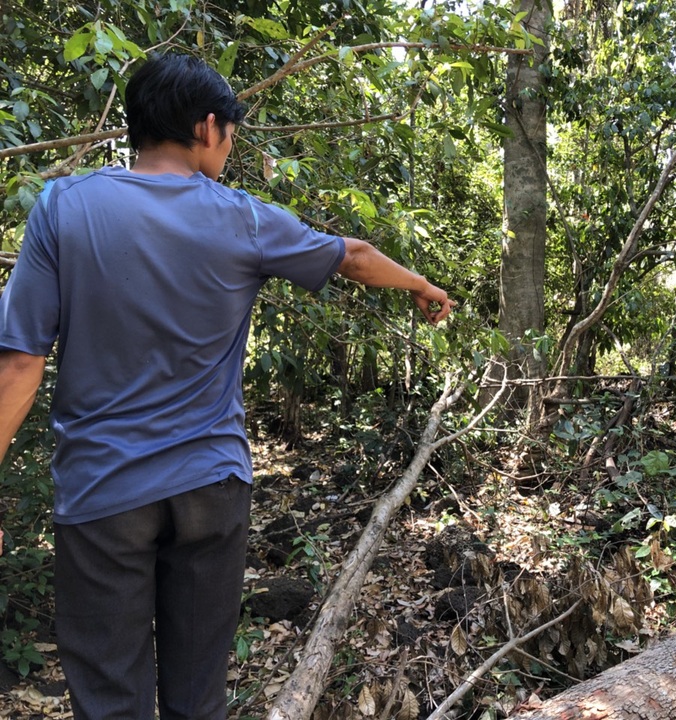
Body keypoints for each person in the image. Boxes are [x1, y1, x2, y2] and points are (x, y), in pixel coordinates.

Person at [0, 52, 453, 720]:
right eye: (233, 134)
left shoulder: (65, 207)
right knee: (198, 698)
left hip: (102, 495)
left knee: (109, 700)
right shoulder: (241, 218)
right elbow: (350, 255)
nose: (231, 148)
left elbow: (19, 364)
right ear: (208, 128)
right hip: (210, 487)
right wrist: (419, 284)